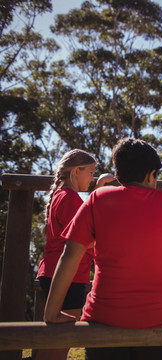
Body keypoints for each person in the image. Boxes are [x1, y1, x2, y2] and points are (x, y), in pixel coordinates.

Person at [44, 138, 162, 360]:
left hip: (105, 318)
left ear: (119, 174)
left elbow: (70, 255)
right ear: (152, 174)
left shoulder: (97, 199)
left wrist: (51, 311)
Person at [35, 149, 114, 360]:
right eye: (90, 172)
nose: (92, 177)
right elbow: (85, 240)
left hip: (56, 272)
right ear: (76, 171)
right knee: (59, 346)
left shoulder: (63, 195)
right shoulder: (69, 198)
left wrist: (97, 189)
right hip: (67, 276)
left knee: (53, 341)